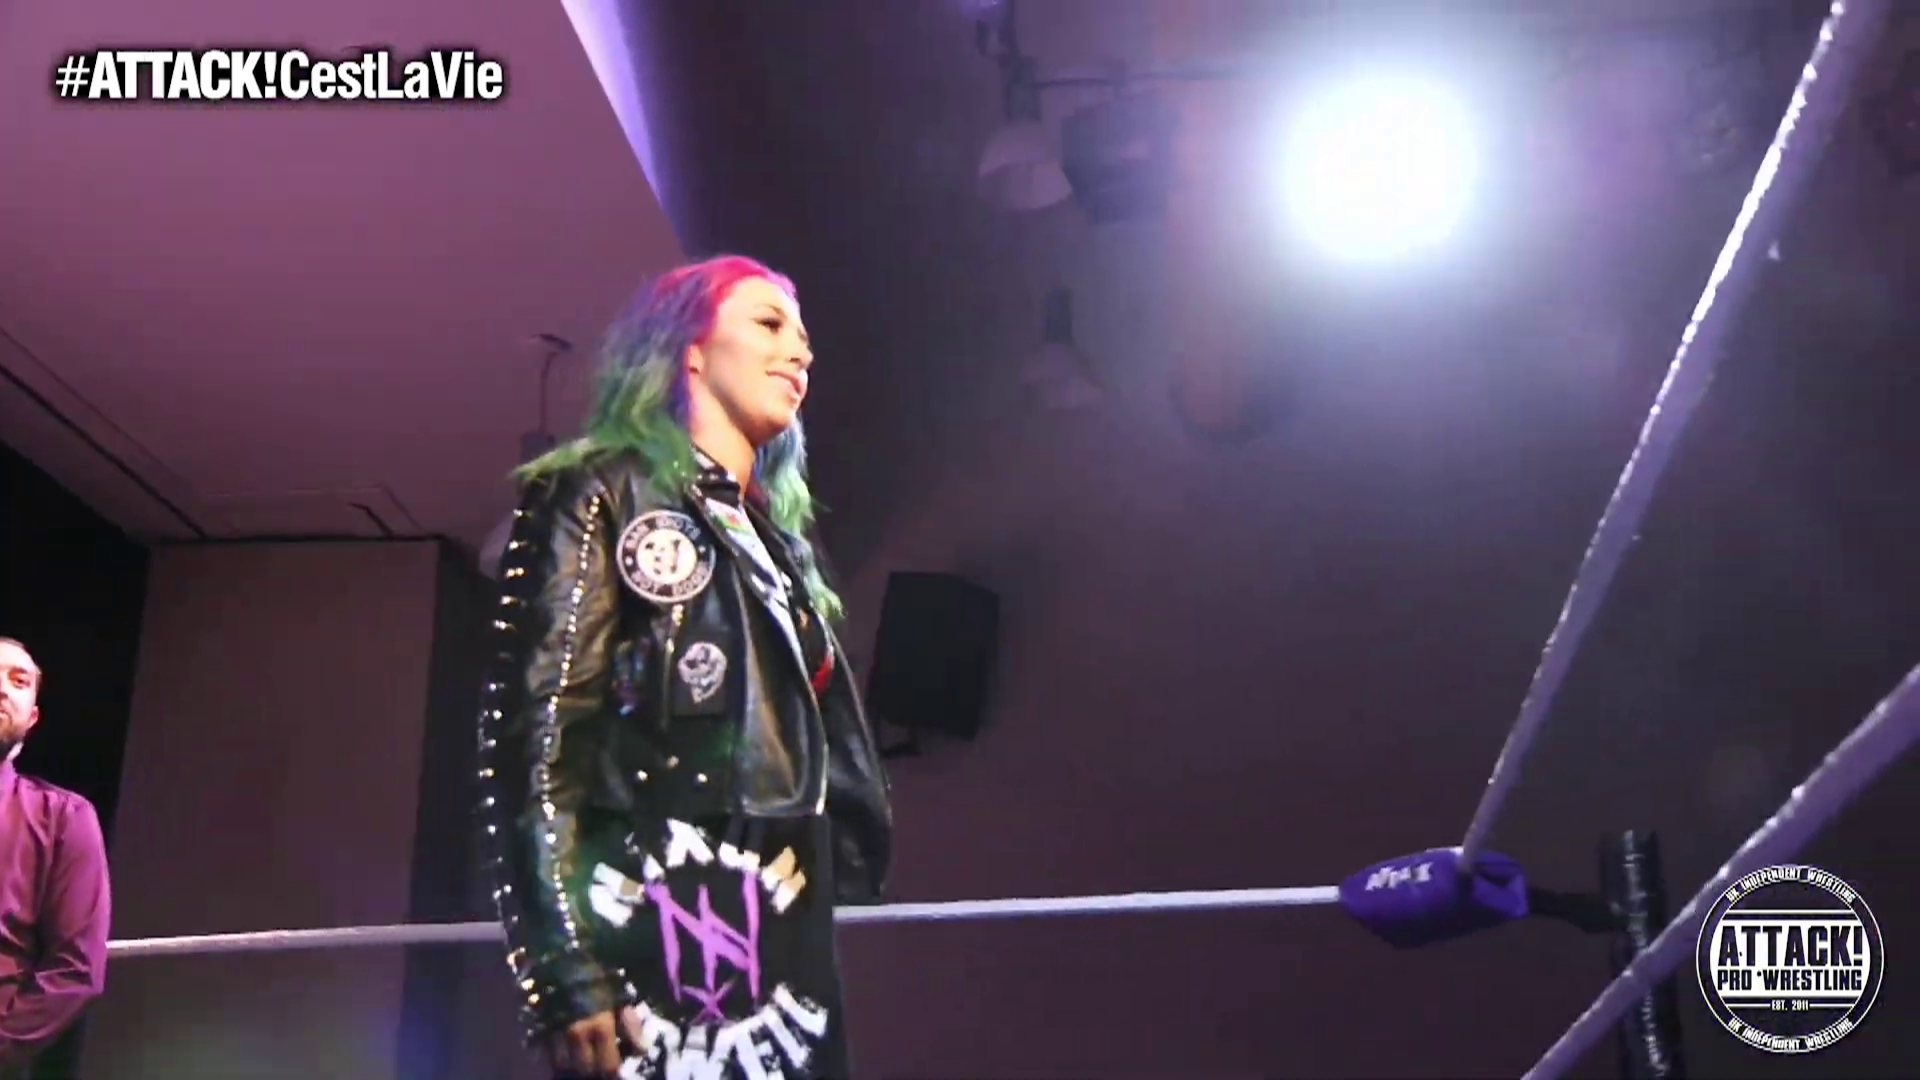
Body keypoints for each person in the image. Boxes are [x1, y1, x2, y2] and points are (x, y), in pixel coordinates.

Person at [476, 255, 894, 1080]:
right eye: (769, 324)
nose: (800, 352)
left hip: (781, 909)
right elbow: (538, 734)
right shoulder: (601, 489)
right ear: (689, 350)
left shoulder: (778, 545)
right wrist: (562, 967)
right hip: (655, 906)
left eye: (804, 337)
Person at [0, 638, 111, 1078]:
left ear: (31, 718)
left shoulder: (63, 819)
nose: (2, 689)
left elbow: (75, 968)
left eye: (18, 681)